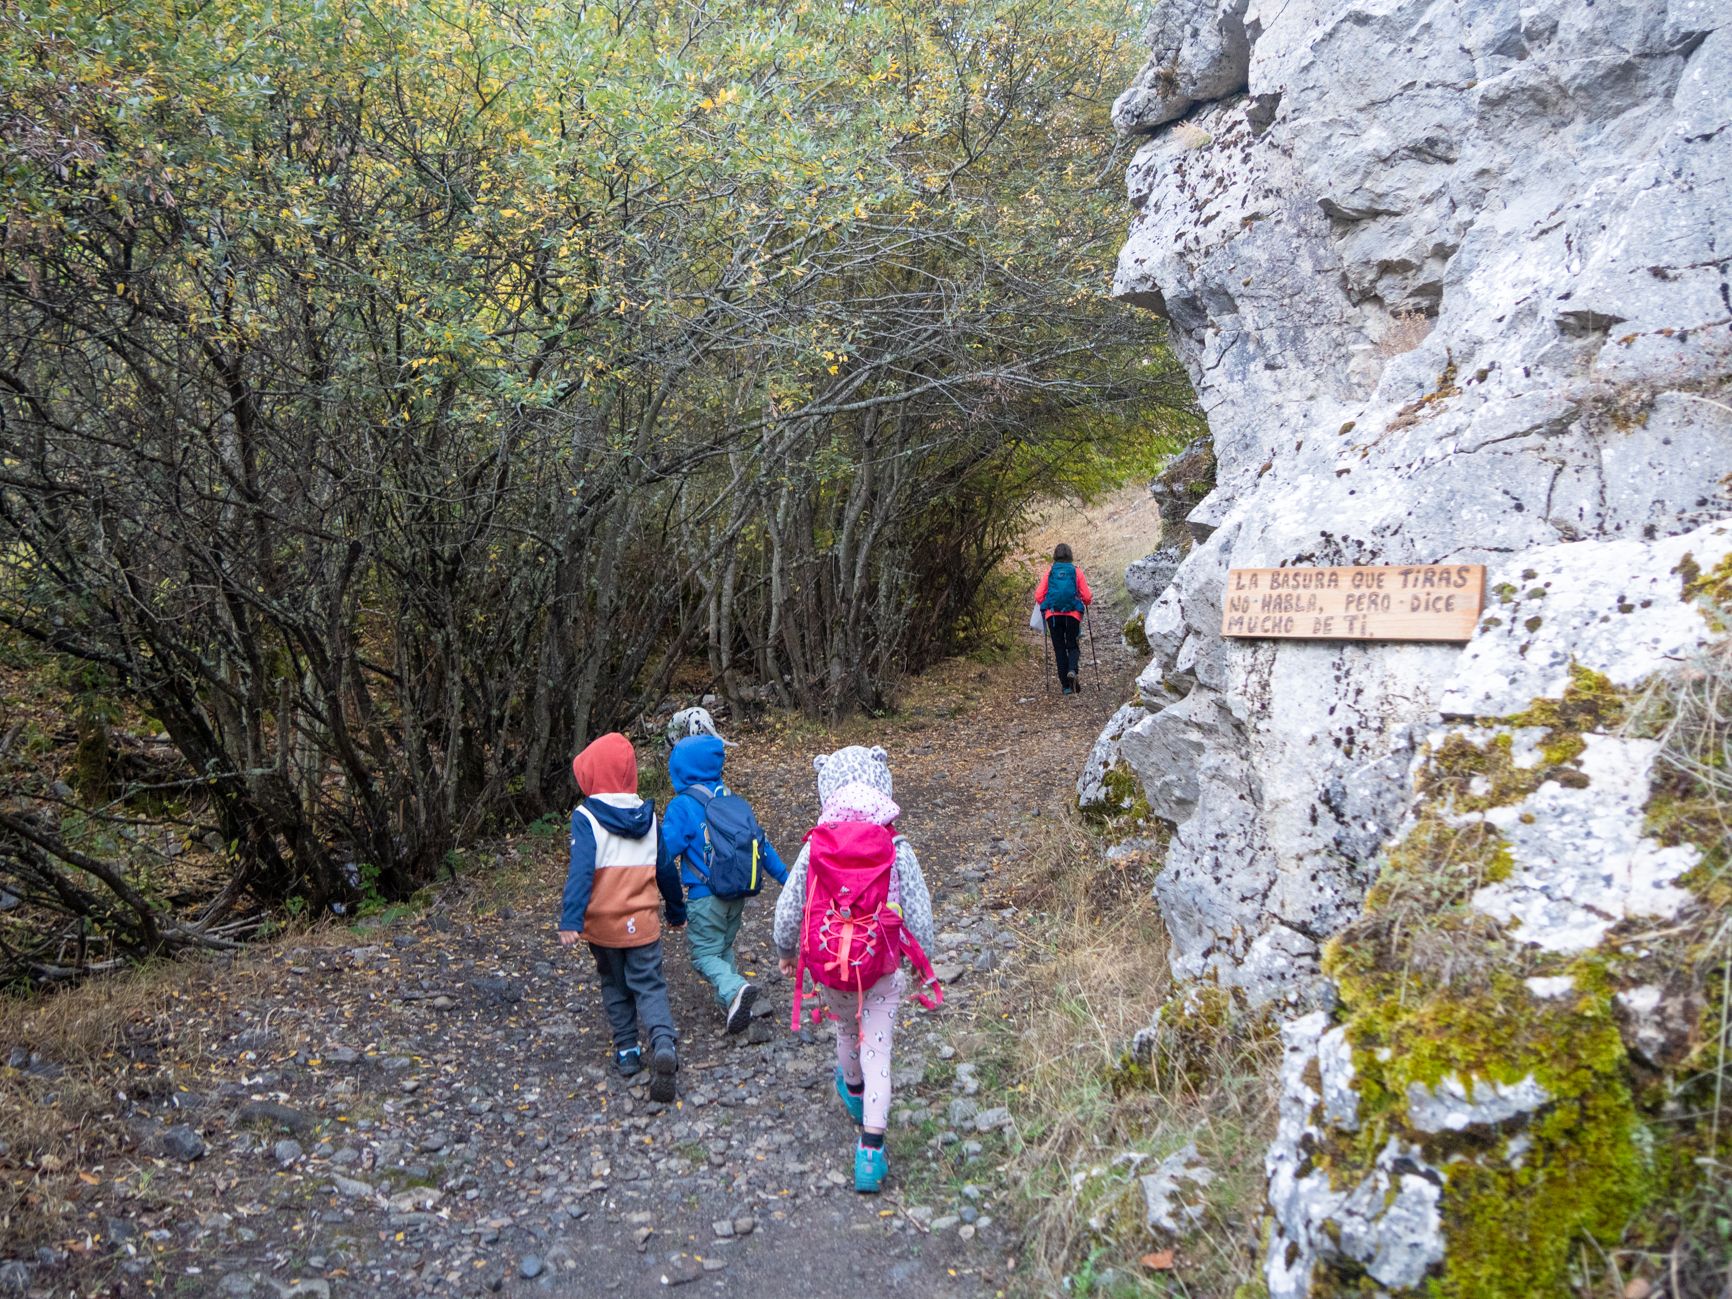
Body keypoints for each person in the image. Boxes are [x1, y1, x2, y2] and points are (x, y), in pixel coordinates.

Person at [773, 745, 937, 1194]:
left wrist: (787, 951)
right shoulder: (897, 846)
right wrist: (925, 960)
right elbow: (920, 916)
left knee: (847, 1032)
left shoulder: (815, 847)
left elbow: (789, 909)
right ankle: (870, 1149)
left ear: (827, 788)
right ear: (881, 781)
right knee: (878, 1049)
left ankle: (853, 1090)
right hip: (882, 968)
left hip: (830, 970)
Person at [557, 732, 687, 1103]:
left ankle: (628, 1050)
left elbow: (580, 871)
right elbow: (665, 869)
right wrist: (677, 911)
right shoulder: (648, 816)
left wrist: (572, 919)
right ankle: (663, 1042)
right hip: (644, 924)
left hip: (603, 926)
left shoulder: (586, 818)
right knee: (650, 984)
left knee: (615, 985)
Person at [662, 732, 791, 1033]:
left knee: (704, 954)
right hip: (738, 893)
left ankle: (734, 989)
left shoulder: (682, 807)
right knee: (723, 947)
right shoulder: (733, 801)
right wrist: (786, 877)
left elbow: (664, 852)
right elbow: (762, 844)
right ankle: (734, 1003)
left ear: (679, 770)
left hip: (705, 895)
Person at [1034, 542, 1093, 694]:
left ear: (1055, 556)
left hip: (1053, 616)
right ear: (1070, 555)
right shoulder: (1076, 571)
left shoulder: (1050, 571)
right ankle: (1072, 670)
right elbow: (1086, 597)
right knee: (1072, 645)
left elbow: (1039, 595)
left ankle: (1066, 687)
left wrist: (1047, 604)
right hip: (1073, 615)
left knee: (1059, 648)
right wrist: (1084, 601)